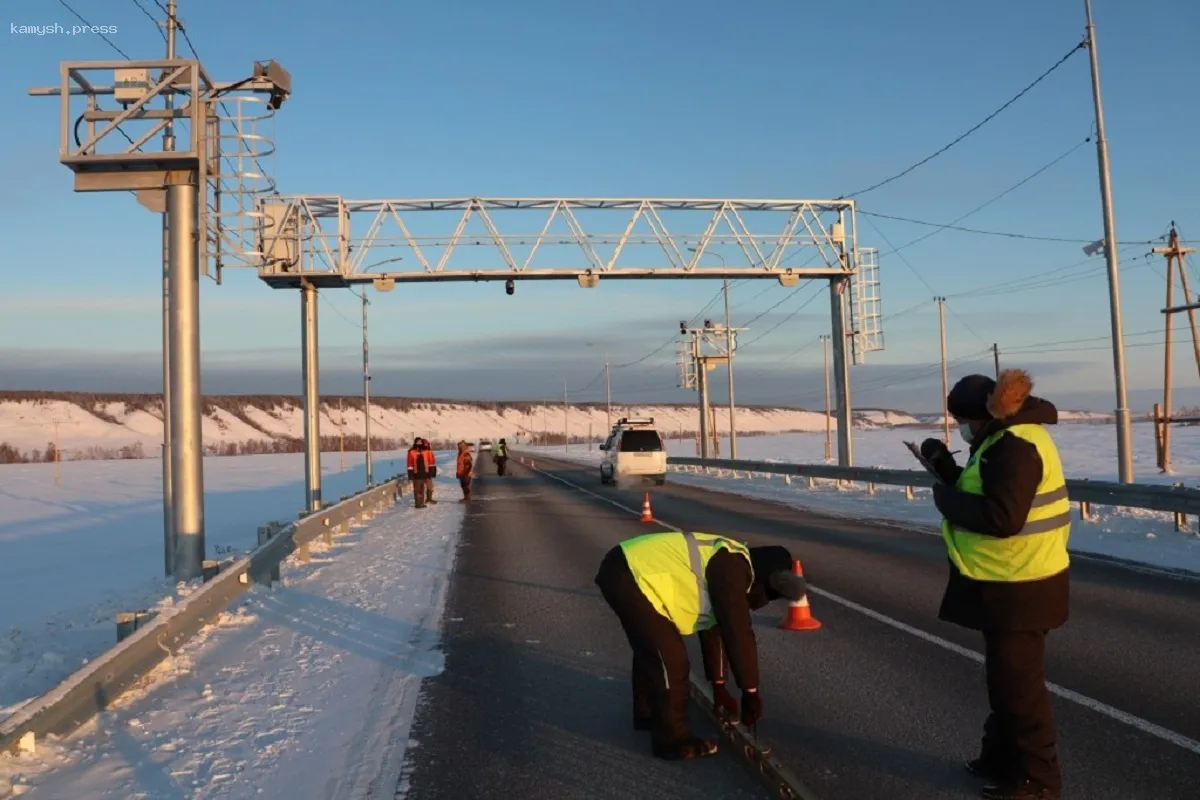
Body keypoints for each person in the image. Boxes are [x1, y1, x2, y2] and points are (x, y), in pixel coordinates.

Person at [920, 368, 1071, 800]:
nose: (962, 430)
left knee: (1019, 691)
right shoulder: (1001, 441)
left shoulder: (1015, 447)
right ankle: (1000, 759)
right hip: (1012, 583)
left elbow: (1002, 517)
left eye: (963, 423)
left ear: (981, 417)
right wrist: (947, 470)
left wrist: (945, 500)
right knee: (1006, 681)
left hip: (1023, 587)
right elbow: (987, 491)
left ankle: (1038, 781)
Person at [593, 531, 806, 761]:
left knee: (654, 649)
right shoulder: (733, 568)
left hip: (625, 568)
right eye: (765, 595)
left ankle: (650, 714)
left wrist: (719, 686)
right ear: (763, 579)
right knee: (671, 660)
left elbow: (713, 630)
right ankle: (673, 740)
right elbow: (737, 631)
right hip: (628, 573)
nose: (760, 602)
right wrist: (750, 691)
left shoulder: (729, 561)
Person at [406, 438, 432, 508]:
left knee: (422, 489)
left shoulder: (425, 451)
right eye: (418, 442)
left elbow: (428, 462)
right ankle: (417, 503)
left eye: (420, 442)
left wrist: (429, 472)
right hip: (416, 473)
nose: (419, 443)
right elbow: (409, 464)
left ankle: (422, 503)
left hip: (424, 473)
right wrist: (410, 474)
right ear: (415, 442)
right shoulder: (411, 451)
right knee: (417, 489)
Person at [421, 439, 439, 504]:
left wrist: (434, 470)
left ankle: (428, 499)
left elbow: (432, 461)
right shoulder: (423, 452)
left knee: (430, 486)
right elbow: (425, 463)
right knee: (429, 486)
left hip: (429, 470)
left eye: (427, 444)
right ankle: (428, 499)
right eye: (426, 444)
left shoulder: (429, 451)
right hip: (426, 471)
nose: (427, 445)